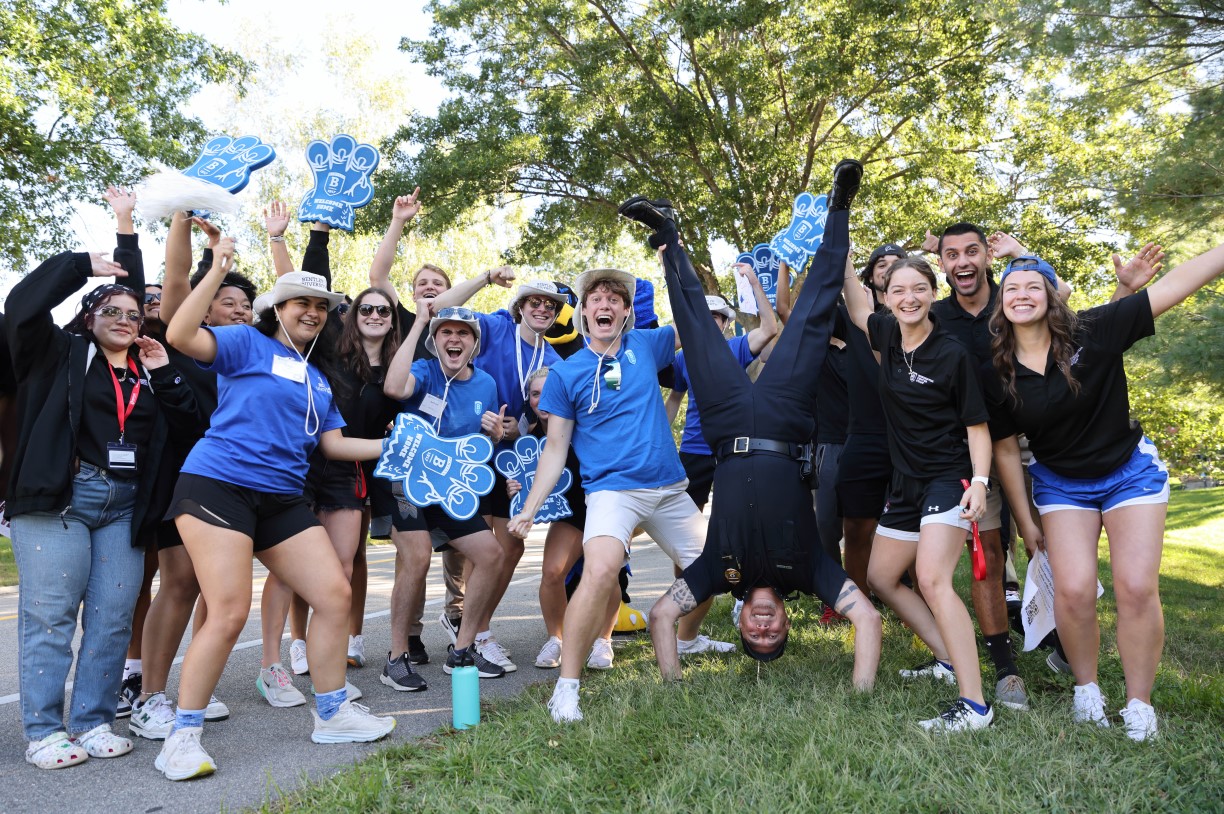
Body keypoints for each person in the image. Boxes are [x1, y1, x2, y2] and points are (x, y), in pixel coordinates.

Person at [620, 161, 881, 689]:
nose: (763, 627)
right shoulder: (813, 574)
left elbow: (663, 617)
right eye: (773, 634)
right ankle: (839, 210)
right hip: (786, 418)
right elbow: (869, 620)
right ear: (787, 622)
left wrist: (672, 687)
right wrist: (860, 693)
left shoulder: (717, 573)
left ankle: (665, 232)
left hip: (725, 423)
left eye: (754, 635)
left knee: (694, 329)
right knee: (810, 312)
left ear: (737, 621)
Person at [161, 238, 395, 781]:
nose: (312, 313)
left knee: (334, 595)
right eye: (300, 305)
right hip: (217, 485)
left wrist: (403, 446)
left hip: (281, 497)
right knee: (229, 610)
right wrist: (217, 270)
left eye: (319, 307)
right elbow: (177, 334)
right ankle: (182, 735)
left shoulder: (317, 379)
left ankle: (333, 713)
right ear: (278, 311)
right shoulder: (247, 343)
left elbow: (335, 446)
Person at [986, 243, 1224, 741]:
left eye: (1034, 286)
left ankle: (1139, 704)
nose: (1022, 294)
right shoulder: (997, 371)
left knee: (1136, 587)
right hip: (1060, 484)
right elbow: (1006, 452)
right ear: (1001, 304)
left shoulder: (1094, 330)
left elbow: (1175, 287)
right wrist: (1026, 522)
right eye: (1012, 288)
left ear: (1052, 298)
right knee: (1072, 592)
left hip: (1128, 473)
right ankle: (1087, 690)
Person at [7, 196, 201, 769]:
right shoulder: (58, 356)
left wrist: (164, 371)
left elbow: (190, 423)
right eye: (110, 311)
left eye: (133, 313)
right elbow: (20, 308)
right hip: (60, 502)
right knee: (52, 615)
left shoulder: (148, 367)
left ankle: (91, 721)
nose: (124, 318)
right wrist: (79, 266)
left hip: (124, 507)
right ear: (89, 318)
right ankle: (43, 730)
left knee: (114, 616)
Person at [508, 265, 733, 724]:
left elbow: (694, 319)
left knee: (718, 567)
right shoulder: (565, 373)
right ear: (585, 312)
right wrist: (530, 508)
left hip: (669, 488)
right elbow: (554, 450)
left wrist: (674, 255)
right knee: (601, 569)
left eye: (615, 299)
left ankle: (685, 638)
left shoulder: (645, 346)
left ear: (627, 312)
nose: (606, 304)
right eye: (597, 298)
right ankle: (566, 689)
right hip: (612, 491)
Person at [842, 252, 995, 732]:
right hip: (905, 482)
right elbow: (852, 302)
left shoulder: (952, 354)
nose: (908, 298)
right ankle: (949, 658)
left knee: (931, 579)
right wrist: (841, 250)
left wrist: (981, 484)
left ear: (933, 294)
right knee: (882, 576)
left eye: (918, 289)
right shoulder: (887, 333)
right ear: (886, 298)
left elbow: (978, 428)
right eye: (897, 291)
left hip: (948, 477)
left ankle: (974, 706)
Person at [126, 211, 257, 739]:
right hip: (180, 477)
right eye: (230, 302)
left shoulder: (249, 355)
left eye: (248, 306)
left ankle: (188, 690)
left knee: (212, 590)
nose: (242, 312)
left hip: (233, 484)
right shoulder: (186, 343)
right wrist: (181, 215)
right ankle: (149, 696)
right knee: (178, 582)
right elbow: (178, 278)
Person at [430, 272, 568, 672]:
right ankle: (476, 635)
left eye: (550, 305)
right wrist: (486, 278)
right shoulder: (494, 327)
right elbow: (440, 309)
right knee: (484, 543)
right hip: (475, 451)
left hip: (517, 458)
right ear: (520, 307)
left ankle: (474, 630)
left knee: (510, 546)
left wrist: (519, 427)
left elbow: (548, 416)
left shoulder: (556, 361)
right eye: (535, 302)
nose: (542, 308)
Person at [381, 304, 513, 685]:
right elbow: (393, 388)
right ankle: (396, 657)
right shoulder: (422, 371)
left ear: (474, 344)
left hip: (450, 487)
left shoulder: (486, 384)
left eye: (463, 334)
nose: (454, 339)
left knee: (491, 555)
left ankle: (461, 651)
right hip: (405, 482)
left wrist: (493, 433)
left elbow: (480, 443)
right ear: (435, 341)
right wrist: (421, 320)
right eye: (446, 333)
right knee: (417, 557)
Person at [368, 189, 467, 663]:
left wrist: (483, 281)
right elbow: (377, 276)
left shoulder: (460, 335)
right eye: (422, 282)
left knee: (461, 550)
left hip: (450, 460)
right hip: (408, 459)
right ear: (410, 292)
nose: (429, 287)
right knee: (414, 554)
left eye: (438, 283)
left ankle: (461, 618)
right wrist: (398, 222)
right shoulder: (404, 320)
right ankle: (407, 637)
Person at [507, 367, 621, 671]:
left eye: (548, 391)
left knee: (605, 573)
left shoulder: (585, 423)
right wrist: (514, 487)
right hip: (570, 516)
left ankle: (604, 641)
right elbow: (524, 479)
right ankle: (556, 639)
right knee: (552, 572)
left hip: (603, 508)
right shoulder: (528, 438)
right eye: (534, 394)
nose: (541, 399)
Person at [665, 275, 777, 512]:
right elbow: (674, 399)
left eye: (714, 317)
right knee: (687, 518)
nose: (708, 322)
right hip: (694, 449)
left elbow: (769, 329)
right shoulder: (683, 357)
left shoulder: (737, 347)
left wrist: (756, 284)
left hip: (733, 448)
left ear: (725, 323)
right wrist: (659, 438)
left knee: (739, 513)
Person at [833, 243, 904, 601]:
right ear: (871, 274)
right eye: (881, 263)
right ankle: (857, 603)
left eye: (897, 263)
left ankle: (916, 598)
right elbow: (795, 313)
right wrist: (838, 255)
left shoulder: (923, 317)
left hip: (909, 441)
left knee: (915, 528)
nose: (888, 268)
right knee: (857, 528)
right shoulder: (853, 318)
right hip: (864, 436)